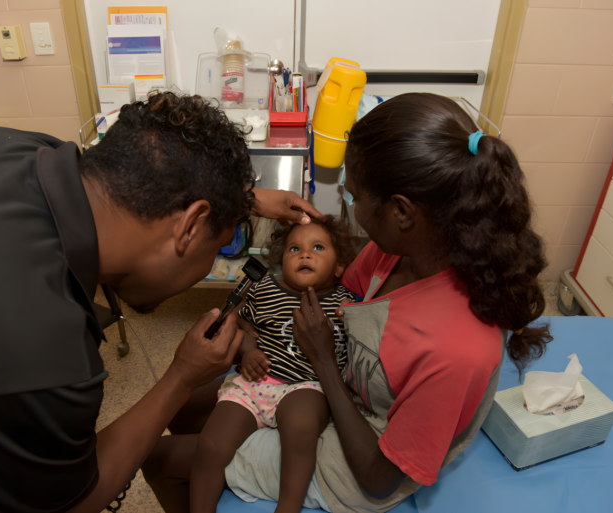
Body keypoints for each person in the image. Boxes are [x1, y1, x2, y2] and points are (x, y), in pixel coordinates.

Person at [0, 92, 324, 513]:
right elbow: (74, 501)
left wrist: (240, 202)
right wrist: (182, 377)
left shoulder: (5, 145)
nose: (211, 261)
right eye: (219, 245)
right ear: (189, 228)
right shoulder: (35, 345)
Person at [142, 93, 552, 513]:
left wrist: (322, 360)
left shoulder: (458, 350)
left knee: (158, 458)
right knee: (180, 410)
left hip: (358, 461)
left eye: (354, 197)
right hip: (333, 387)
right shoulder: (396, 250)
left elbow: (378, 479)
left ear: (401, 211)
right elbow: (332, 295)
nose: (350, 208)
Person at [190, 216, 359, 513]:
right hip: (257, 382)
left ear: (339, 266)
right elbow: (241, 325)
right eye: (295, 249)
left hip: (308, 385)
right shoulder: (265, 289)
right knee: (211, 445)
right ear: (282, 260)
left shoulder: (345, 304)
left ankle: (287, 508)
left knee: (301, 426)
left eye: (318, 247)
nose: (305, 254)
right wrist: (248, 349)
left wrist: (354, 316)